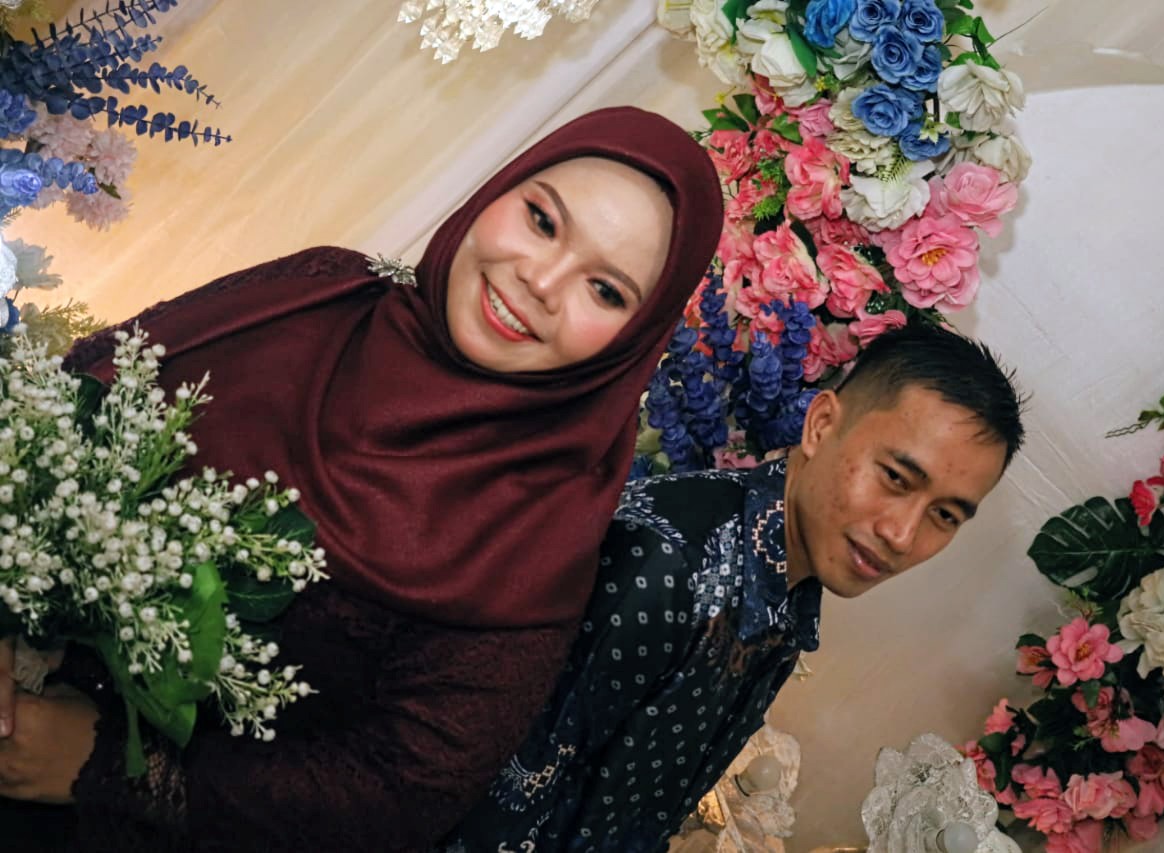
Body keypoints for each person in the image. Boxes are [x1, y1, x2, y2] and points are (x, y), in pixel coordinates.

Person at [0, 106, 723, 850]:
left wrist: (108, 767)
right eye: (542, 220)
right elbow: (76, 388)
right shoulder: (317, 290)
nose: (541, 280)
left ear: (635, 341)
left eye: (605, 291)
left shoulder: (536, 542)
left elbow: (394, 796)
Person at [445, 322, 1027, 852]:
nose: (902, 534)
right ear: (822, 425)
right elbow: (495, 792)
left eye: (944, 516)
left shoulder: (788, 587)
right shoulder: (665, 568)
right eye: (895, 477)